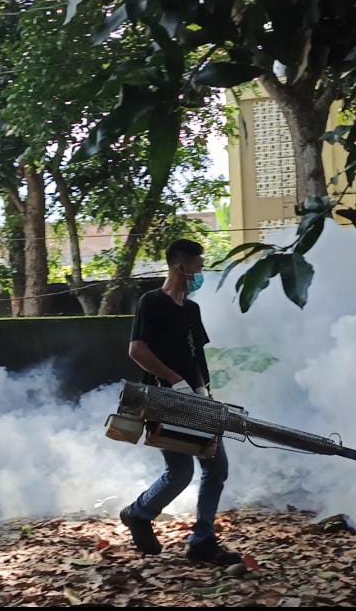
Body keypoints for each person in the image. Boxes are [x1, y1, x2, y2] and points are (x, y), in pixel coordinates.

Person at [119, 239, 242, 565]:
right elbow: (137, 351)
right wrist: (175, 380)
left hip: (195, 399)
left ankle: (202, 540)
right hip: (163, 399)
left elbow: (195, 355)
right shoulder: (151, 302)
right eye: (198, 266)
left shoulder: (192, 309)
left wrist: (202, 391)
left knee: (216, 467)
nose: (201, 273)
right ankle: (139, 513)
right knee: (180, 472)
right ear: (180, 266)